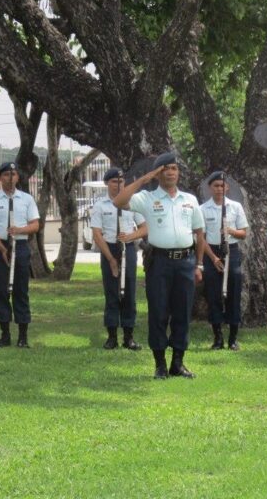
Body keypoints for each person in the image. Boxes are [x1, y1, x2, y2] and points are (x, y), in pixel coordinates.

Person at [113, 152, 205, 379]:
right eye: (165, 169)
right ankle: (160, 365)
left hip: (185, 261)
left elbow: (200, 233)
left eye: (174, 168)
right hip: (159, 263)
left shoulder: (189, 200)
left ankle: (178, 363)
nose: (171, 172)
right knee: (158, 312)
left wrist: (199, 265)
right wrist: (145, 178)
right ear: (158, 173)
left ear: (179, 173)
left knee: (183, 313)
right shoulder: (146, 197)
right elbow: (119, 200)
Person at [0, 162, 40, 348]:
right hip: (0, 247)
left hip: (20, 245)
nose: (10, 177)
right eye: (6, 174)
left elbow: (35, 225)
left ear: (17, 177)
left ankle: (23, 337)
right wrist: (1, 248)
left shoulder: (26, 199)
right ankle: (5, 334)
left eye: (13, 174)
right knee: (1, 291)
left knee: (21, 291)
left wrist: (20, 230)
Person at [90, 167, 148, 350]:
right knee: (111, 293)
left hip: (128, 247)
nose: (119, 184)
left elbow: (145, 228)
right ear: (107, 183)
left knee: (129, 292)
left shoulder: (132, 202)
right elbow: (97, 234)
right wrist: (110, 259)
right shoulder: (100, 205)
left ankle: (128, 337)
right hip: (110, 247)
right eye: (114, 181)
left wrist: (130, 237)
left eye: (121, 181)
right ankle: (112, 336)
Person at [200, 171, 248, 350]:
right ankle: (217, 338)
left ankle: (233, 338)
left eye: (222, 185)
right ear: (210, 188)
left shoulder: (235, 207)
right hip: (212, 251)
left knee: (234, 292)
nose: (219, 189)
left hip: (232, 251)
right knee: (213, 294)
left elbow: (243, 233)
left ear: (227, 187)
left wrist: (231, 231)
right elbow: (201, 238)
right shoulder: (203, 209)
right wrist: (212, 258)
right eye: (216, 186)